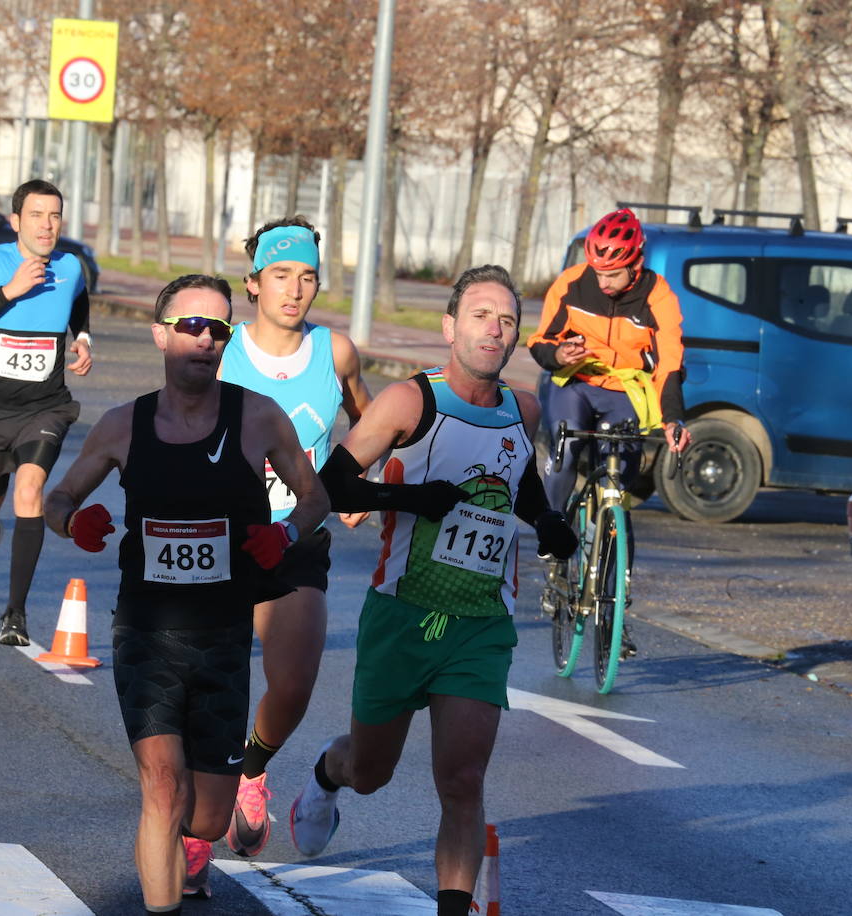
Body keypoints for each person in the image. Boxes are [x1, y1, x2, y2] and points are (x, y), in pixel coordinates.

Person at [287, 265, 577, 916]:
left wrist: (549, 522)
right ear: (450, 326)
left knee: (464, 779)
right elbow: (335, 484)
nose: (494, 330)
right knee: (371, 772)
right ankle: (324, 777)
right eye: (480, 315)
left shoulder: (522, 408)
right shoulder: (409, 403)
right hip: (403, 615)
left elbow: (520, 483)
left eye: (506, 320)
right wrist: (412, 497)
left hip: (481, 622)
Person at [42, 274, 329, 913]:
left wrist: (283, 535)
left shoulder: (257, 417)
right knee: (161, 790)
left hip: (223, 638)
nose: (204, 339)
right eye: (190, 326)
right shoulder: (124, 425)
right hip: (146, 633)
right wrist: (73, 521)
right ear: (160, 335)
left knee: (204, 819)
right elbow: (57, 496)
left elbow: (317, 497)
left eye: (218, 329)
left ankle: (204, 832)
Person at [212, 217, 372, 863]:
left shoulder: (334, 352)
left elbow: (370, 422)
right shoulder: (221, 352)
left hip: (297, 537)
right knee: (210, 682)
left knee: (295, 684)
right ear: (253, 283)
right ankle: (202, 816)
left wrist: (358, 481)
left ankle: (251, 770)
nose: (295, 290)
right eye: (281, 276)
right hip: (220, 537)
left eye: (307, 277)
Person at [526, 208, 690, 655]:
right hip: (576, 383)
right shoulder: (573, 282)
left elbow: (671, 362)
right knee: (563, 447)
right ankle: (552, 532)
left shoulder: (658, 296)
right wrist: (561, 354)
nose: (603, 281)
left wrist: (674, 419)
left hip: (624, 392)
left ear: (635, 262)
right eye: (598, 269)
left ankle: (615, 613)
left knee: (617, 492)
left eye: (613, 273)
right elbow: (539, 342)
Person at [0, 179, 93, 646]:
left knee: (29, 491)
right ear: (16, 221)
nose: (47, 226)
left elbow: (79, 301)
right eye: (36, 216)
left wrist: (83, 337)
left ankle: (15, 614)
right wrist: (9, 291)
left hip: (44, 407)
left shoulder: (71, 267)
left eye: (54, 216)